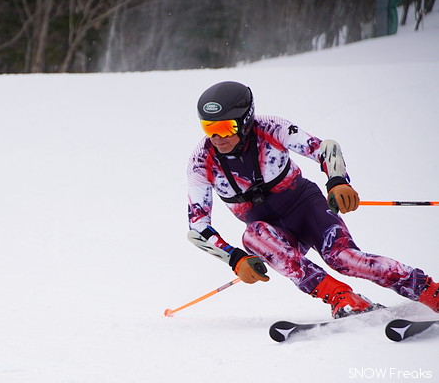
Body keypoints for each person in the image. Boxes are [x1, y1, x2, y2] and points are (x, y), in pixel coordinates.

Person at [186, 80, 439, 318]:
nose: (217, 138)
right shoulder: (201, 161)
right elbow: (197, 227)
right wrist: (235, 258)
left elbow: (325, 148)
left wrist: (338, 181)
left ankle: (430, 291)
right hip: (274, 236)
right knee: (252, 235)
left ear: (245, 121)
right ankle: (343, 298)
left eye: (225, 127)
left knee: (342, 258)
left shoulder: (271, 129)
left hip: (306, 208)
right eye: (210, 128)